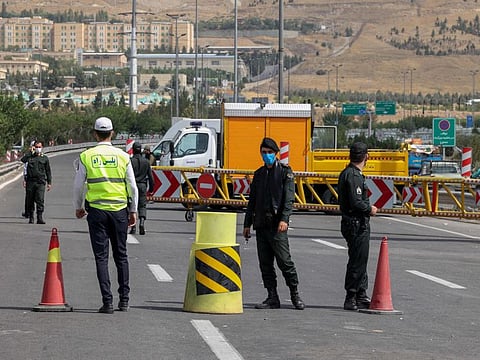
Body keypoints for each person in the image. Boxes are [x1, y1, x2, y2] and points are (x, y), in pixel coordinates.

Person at [73, 116, 138, 314]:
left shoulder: (87, 156)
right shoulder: (123, 156)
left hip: (97, 212)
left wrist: (78, 206)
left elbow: (78, 186)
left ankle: (107, 302)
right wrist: (133, 210)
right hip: (119, 211)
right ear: (112, 133)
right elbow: (132, 186)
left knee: (101, 257)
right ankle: (124, 300)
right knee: (121, 256)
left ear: (94, 133)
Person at [243, 137, 305, 310]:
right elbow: (252, 202)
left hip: (277, 225)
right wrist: (247, 224)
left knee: (285, 262)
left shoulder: (285, 172)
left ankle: (295, 294)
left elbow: (288, 199)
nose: (267, 156)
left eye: (270, 153)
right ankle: (272, 296)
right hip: (262, 224)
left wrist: (285, 219)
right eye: (264, 153)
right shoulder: (259, 174)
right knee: (265, 264)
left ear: (276, 153)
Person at [337, 142, 378, 311]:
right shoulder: (353, 175)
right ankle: (351, 296)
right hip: (356, 223)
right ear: (366, 156)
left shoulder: (350, 173)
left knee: (361, 260)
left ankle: (361, 294)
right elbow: (356, 201)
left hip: (353, 223)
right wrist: (369, 209)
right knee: (357, 261)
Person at [23, 141, 52, 224]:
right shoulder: (30, 157)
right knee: (30, 200)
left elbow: (48, 171)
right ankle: (31, 217)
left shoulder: (44, 158)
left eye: (39, 147)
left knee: (40, 199)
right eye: (36, 147)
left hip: (40, 182)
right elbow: (23, 160)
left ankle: (39, 217)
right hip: (30, 182)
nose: (38, 148)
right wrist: (29, 152)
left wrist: (49, 183)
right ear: (34, 147)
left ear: (42, 147)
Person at [130, 142, 154, 235]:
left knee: (132, 206)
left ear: (133, 149)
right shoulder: (146, 162)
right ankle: (142, 223)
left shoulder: (130, 161)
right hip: (143, 186)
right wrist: (151, 188)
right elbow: (151, 177)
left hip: (133, 186)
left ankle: (133, 226)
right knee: (142, 205)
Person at [20, 141, 36, 218]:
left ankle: (36, 213)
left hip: (38, 179)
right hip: (29, 178)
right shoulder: (28, 156)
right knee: (29, 197)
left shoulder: (40, 155)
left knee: (38, 197)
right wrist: (25, 179)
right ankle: (28, 212)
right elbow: (25, 166)